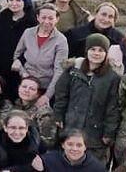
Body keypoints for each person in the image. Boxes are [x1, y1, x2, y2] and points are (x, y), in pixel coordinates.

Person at [51, 34, 120, 162]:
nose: (96, 53)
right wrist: (59, 115)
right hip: (72, 125)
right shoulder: (73, 71)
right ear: (86, 51)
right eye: (92, 49)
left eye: (101, 50)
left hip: (95, 133)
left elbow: (113, 107)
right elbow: (61, 95)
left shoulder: (112, 78)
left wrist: (108, 132)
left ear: (106, 53)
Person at [12, 3, 67, 102]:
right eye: (43, 17)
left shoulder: (61, 40)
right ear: (38, 17)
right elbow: (17, 55)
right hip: (25, 82)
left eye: (51, 18)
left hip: (44, 87)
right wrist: (23, 73)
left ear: (57, 19)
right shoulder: (28, 33)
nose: (46, 21)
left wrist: (47, 96)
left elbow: (59, 70)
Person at [0, 0, 37, 97]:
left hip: (19, 66)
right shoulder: (3, 16)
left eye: (18, 0)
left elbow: (33, 46)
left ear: (25, 2)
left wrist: (20, 59)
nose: (14, 3)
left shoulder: (31, 21)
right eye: (11, 0)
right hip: (0, 63)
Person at [39, 129, 106, 171]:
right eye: (70, 144)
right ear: (63, 145)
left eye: (79, 145)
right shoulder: (48, 160)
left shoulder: (97, 168)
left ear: (85, 147)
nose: (74, 149)